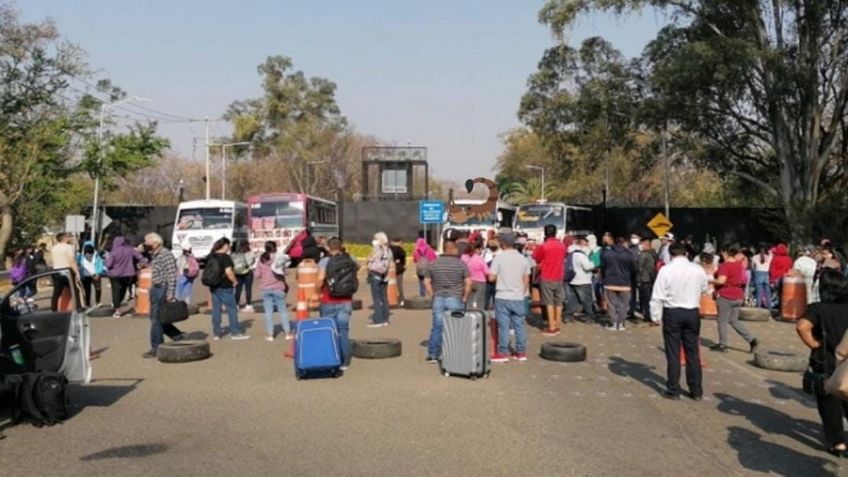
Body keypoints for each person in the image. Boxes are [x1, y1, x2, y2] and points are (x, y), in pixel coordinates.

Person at [796, 270, 848, 457]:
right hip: (847, 363)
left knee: (829, 405)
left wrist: (814, 343)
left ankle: (838, 443)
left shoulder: (818, 308)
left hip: (826, 362)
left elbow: (802, 327)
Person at [650, 242, 708, 400]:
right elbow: (705, 287)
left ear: (670, 254)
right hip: (692, 311)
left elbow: (657, 295)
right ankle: (696, 391)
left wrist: (655, 316)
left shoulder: (666, 270)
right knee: (692, 352)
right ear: (686, 253)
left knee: (673, 352)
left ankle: (673, 389)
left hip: (673, 312)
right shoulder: (697, 269)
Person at [424, 230, 472, 363]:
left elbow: (426, 281)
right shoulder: (461, 264)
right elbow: (468, 282)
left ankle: (433, 354)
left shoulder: (433, 263)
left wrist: (432, 294)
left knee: (437, 326)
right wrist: (465, 296)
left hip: (438, 298)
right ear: (452, 249)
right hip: (455, 298)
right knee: (455, 326)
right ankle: (453, 354)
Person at [316, 237, 358, 370]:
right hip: (346, 300)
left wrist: (316, 292)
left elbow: (321, 278)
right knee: (343, 331)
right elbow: (358, 267)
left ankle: (332, 358)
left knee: (329, 330)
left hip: (329, 300)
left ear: (328, 247)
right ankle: (345, 361)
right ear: (341, 246)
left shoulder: (325, 261)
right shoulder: (350, 258)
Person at [488, 233, 531, 363]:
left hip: (502, 295)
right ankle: (521, 352)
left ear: (502, 244)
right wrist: (521, 292)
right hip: (518, 296)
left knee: (504, 326)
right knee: (519, 325)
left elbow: (492, 278)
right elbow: (526, 279)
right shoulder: (523, 259)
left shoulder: (499, 258)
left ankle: (503, 352)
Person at [141, 233, 185, 359]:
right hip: (155, 288)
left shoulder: (165, 254)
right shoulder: (155, 254)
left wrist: (170, 294)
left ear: (155, 243)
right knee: (157, 318)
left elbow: (172, 275)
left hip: (162, 288)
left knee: (156, 319)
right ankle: (176, 335)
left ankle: (156, 347)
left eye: (147, 242)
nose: (145, 244)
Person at [709, 244, 759, 353]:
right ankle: (751, 339)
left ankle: (723, 344)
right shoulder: (738, 265)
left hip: (726, 294)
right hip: (738, 294)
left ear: (725, 252)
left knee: (722, 321)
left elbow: (721, 280)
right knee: (733, 320)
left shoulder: (725, 266)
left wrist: (710, 280)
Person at [207, 238, 250, 340]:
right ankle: (234, 332)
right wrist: (235, 281)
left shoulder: (211, 256)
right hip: (225, 286)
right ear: (225, 245)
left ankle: (217, 333)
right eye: (229, 245)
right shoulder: (225, 257)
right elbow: (229, 272)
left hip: (213, 286)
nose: (229, 247)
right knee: (232, 308)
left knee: (216, 310)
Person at [532, 224, 567, 336]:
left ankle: (551, 327)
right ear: (555, 232)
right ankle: (558, 325)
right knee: (558, 301)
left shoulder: (544, 246)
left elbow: (536, 258)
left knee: (548, 302)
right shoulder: (562, 246)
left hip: (547, 276)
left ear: (545, 233)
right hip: (559, 276)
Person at [254, 241, 291, 342]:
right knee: (282, 311)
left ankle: (270, 335)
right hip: (278, 287)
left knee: (268, 312)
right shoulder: (279, 258)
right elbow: (284, 271)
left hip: (265, 288)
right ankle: (287, 333)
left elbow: (257, 275)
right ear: (275, 247)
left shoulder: (261, 259)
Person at [106, 236, 145, 317]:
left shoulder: (113, 252)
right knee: (123, 289)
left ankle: (117, 309)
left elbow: (108, 264)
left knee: (115, 291)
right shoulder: (130, 250)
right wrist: (143, 264)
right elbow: (141, 257)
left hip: (114, 274)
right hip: (127, 274)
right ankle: (118, 303)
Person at [601, 237, 635, 331]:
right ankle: (621, 324)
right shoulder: (629, 254)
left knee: (611, 304)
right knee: (623, 305)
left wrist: (604, 278)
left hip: (610, 282)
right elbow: (634, 269)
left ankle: (614, 323)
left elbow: (603, 267)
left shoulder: (607, 254)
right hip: (625, 283)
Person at [564, 236, 596, 324]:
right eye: (586, 243)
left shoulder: (570, 253)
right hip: (583, 280)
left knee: (572, 300)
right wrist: (593, 263)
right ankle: (589, 318)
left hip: (571, 279)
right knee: (587, 301)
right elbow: (587, 266)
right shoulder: (580, 255)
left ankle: (568, 317)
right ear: (582, 244)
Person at [366, 232, 393, 328]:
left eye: (376, 238)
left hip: (375, 274)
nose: (374, 241)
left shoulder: (378, 250)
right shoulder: (389, 250)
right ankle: (385, 318)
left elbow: (371, 261)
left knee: (376, 298)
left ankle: (378, 319)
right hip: (384, 276)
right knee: (384, 297)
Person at [50, 233, 81, 312]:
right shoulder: (69, 247)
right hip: (66, 271)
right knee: (75, 290)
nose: (70, 238)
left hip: (56, 271)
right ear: (64, 238)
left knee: (56, 292)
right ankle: (78, 308)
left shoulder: (54, 248)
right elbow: (72, 261)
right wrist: (77, 272)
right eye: (68, 237)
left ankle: (54, 309)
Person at [77, 240, 106, 308]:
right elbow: (78, 265)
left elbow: (100, 265)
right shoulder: (80, 256)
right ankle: (87, 304)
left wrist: (98, 274)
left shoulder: (97, 256)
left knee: (98, 289)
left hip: (95, 275)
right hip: (85, 276)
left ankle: (98, 302)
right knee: (87, 291)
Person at [636, 237, 658, 325]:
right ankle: (649, 315)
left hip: (644, 279)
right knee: (649, 299)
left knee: (646, 300)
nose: (640, 246)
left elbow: (639, 268)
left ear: (646, 244)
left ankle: (648, 316)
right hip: (651, 279)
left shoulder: (644, 254)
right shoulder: (654, 253)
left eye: (642, 244)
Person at [462, 238, 489, 309]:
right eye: (480, 249)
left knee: (469, 301)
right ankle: (479, 317)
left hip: (469, 281)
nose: (481, 251)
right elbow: (487, 272)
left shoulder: (464, 257)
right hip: (480, 282)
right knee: (480, 301)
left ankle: (468, 316)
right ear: (477, 249)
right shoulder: (480, 259)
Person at [231, 240, 256, 312]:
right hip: (248, 272)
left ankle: (236, 304)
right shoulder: (250, 252)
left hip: (237, 273)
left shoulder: (233, 254)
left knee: (238, 289)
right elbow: (253, 261)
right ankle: (248, 305)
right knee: (248, 289)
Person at [769, 243, 793, 309]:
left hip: (777, 278)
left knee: (779, 294)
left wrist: (772, 279)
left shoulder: (775, 258)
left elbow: (772, 269)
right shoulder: (789, 259)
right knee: (786, 295)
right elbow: (791, 269)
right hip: (787, 279)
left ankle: (779, 309)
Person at [175, 240, 199, 304]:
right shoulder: (192, 256)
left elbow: (178, 265)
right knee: (188, 291)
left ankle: (179, 305)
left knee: (179, 292)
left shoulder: (181, 256)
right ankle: (186, 305)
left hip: (183, 275)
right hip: (191, 275)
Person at [752, 244, 773, 310]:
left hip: (758, 273)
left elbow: (753, 267)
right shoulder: (769, 257)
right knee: (768, 292)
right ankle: (769, 308)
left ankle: (759, 307)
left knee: (759, 292)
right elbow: (771, 256)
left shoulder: (755, 257)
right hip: (766, 274)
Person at [389, 238, 407, 307]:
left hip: (389, 269)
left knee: (389, 285)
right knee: (399, 285)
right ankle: (401, 300)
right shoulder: (400, 249)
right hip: (399, 269)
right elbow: (403, 257)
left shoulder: (388, 249)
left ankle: (389, 299)